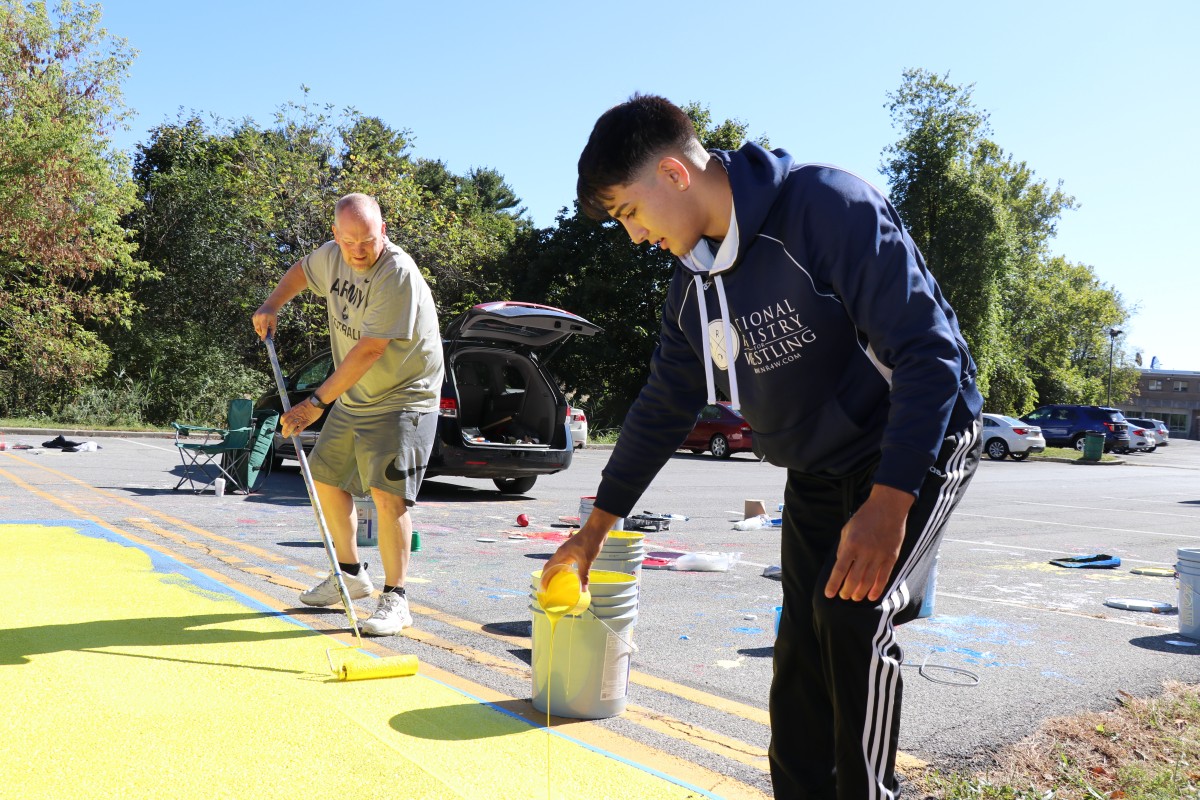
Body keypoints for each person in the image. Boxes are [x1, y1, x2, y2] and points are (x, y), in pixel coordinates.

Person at [543, 95, 984, 799]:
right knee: (802, 650)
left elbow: (930, 356)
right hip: (817, 463)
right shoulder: (690, 284)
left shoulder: (826, 206)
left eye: (630, 212)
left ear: (673, 175)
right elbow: (661, 407)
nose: (634, 236)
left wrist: (889, 502)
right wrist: (593, 533)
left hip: (915, 438)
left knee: (851, 617)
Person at [253, 193, 443, 636]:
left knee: (387, 493)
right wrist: (272, 304)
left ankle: (396, 600)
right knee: (325, 479)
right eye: (350, 240)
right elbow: (302, 271)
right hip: (358, 394)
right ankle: (351, 576)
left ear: (384, 232)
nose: (360, 250)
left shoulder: (396, 272)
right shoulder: (332, 256)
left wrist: (314, 405)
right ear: (336, 236)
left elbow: (371, 349)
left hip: (404, 396)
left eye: (369, 240)